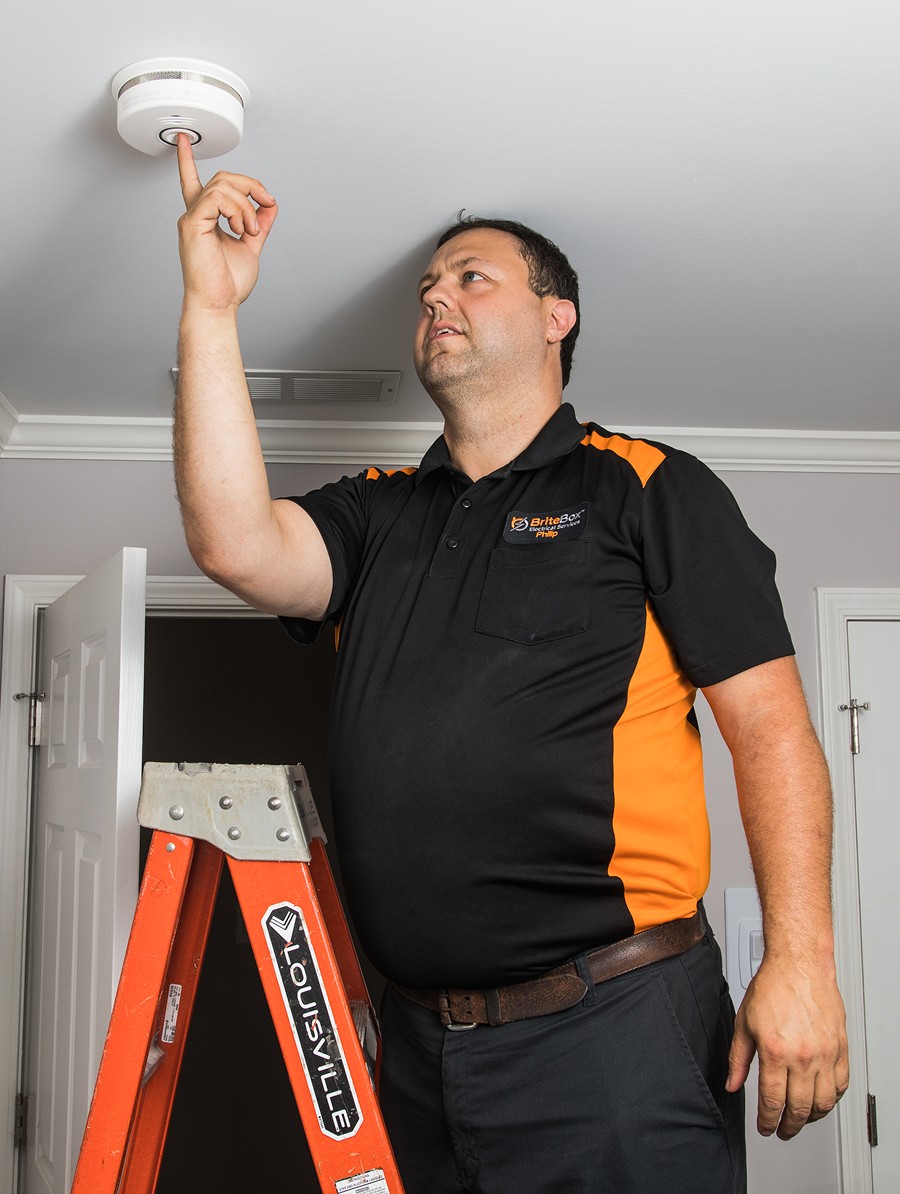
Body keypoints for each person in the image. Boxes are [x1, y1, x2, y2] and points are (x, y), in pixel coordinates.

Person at [172, 135, 848, 1194]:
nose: (436, 296)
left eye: (470, 277)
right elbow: (233, 546)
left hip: (615, 1032)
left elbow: (771, 732)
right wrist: (212, 309)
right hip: (415, 1049)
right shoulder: (378, 509)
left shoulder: (648, 488)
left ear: (554, 316)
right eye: (429, 285)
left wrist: (802, 961)